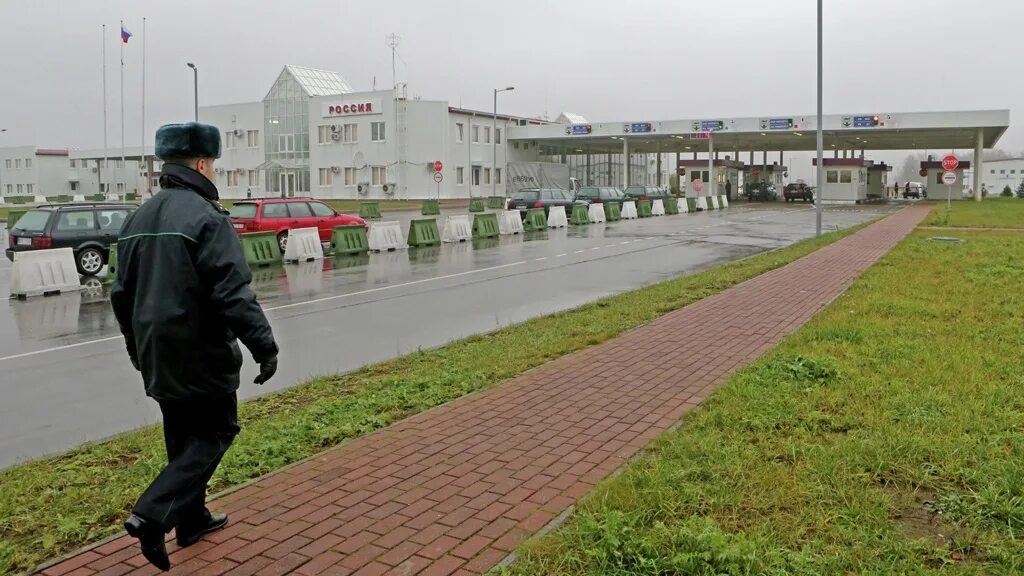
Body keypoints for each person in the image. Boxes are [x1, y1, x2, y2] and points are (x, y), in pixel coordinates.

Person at [111, 122, 279, 570]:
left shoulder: (136, 219)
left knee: (181, 437)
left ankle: (192, 520)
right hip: (201, 351)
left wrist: (136, 350)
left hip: (155, 353)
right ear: (204, 163)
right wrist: (265, 346)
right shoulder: (207, 217)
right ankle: (152, 515)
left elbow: (121, 296)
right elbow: (232, 293)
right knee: (216, 432)